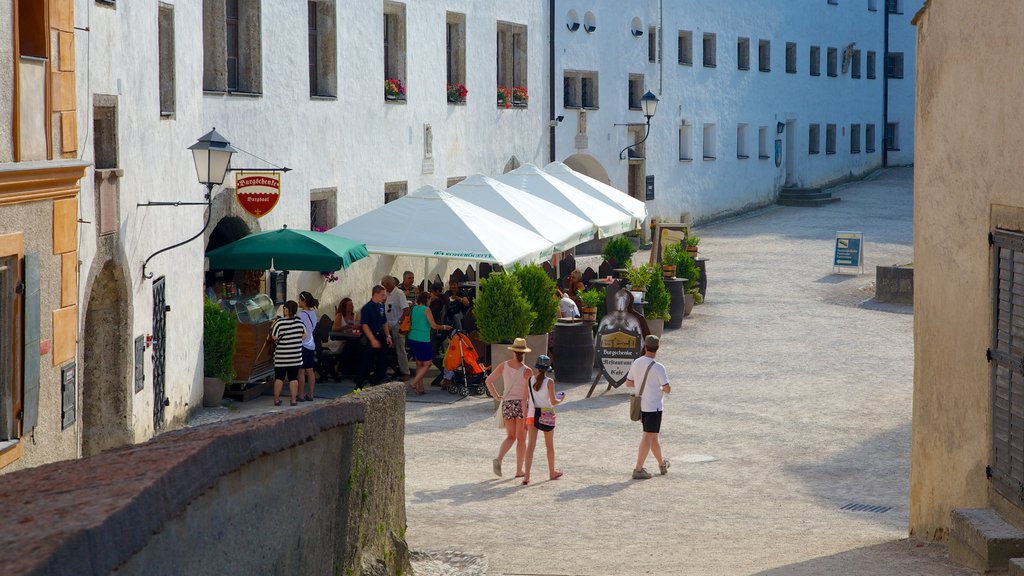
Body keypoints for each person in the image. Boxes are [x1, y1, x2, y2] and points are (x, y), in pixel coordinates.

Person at [625, 334, 671, 480]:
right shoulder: (658, 367)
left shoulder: (636, 362)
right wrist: (659, 389)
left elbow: (628, 383)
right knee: (648, 436)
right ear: (657, 348)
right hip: (654, 406)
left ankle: (662, 464)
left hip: (642, 405)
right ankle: (638, 469)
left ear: (645, 347)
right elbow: (667, 388)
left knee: (653, 436)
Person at [485, 338, 532, 479]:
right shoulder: (527, 371)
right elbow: (526, 396)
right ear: (524, 353)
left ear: (513, 351)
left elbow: (488, 381)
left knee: (510, 437)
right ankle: (519, 470)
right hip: (521, 405)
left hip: (507, 404)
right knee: (521, 439)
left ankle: (499, 458)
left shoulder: (504, 365)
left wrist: (497, 396)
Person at [522, 355, 565, 485]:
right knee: (549, 445)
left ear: (537, 367)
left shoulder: (529, 380)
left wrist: (524, 418)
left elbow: (525, 400)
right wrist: (561, 399)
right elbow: (552, 401)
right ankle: (552, 472)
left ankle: (527, 476)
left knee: (530, 446)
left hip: (531, 414)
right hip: (546, 414)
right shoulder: (549, 382)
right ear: (547, 368)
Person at [407, 292, 451, 394]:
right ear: (427, 299)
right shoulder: (426, 309)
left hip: (413, 337)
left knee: (419, 363)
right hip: (423, 338)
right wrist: (444, 327)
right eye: (430, 299)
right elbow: (434, 326)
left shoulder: (413, 309)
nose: (430, 301)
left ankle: (420, 387)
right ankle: (413, 383)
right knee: (427, 363)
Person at [270, 300, 306, 406]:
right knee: (293, 378)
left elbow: (274, 337)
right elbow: (304, 336)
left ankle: (276, 400)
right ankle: (294, 400)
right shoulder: (300, 323)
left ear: (286, 310)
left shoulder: (279, 323)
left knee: (279, 378)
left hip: (281, 356)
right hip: (295, 356)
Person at [357, 285, 392, 389]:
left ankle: (375, 380)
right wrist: (372, 340)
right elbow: (365, 325)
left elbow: (384, 322)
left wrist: (388, 335)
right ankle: (359, 385)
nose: (384, 297)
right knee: (366, 362)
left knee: (384, 360)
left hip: (380, 336)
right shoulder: (367, 308)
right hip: (370, 337)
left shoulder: (381, 306)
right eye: (382, 295)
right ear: (375, 294)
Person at [383, 275, 412, 382]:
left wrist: (400, 322)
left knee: (400, 350)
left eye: (385, 285)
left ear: (389, 284)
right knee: (390, 350)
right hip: (389, 326)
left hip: (397, 326)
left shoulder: (399, 293)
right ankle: (394, 370)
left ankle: (406, 373)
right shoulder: (388, 294)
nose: (384, 288)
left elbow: (406, 310)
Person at [296, 291, 319, 402]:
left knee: (301, 371)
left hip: (302, 344)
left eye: (300, 299)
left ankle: (300, 395)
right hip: (311, 344)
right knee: (310, 370)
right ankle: (310, 394)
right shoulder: (313, 314)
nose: (298, 301)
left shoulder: (300, 315)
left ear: (304, 301)